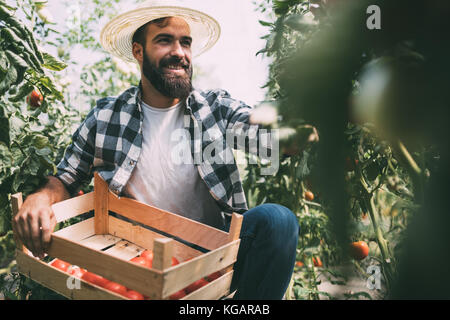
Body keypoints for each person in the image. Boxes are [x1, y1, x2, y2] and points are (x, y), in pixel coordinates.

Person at [12, 0, 299, 300]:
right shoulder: (107, 117)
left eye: (185, 42)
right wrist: (41, 198)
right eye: (165, 40)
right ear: (138, 51)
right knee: (57, 287)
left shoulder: (215, 109)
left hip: (208, 263)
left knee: (277, 222)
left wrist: (291, 132)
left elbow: (263, 136)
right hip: (134, 264)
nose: (180, 52)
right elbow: (67, 177)